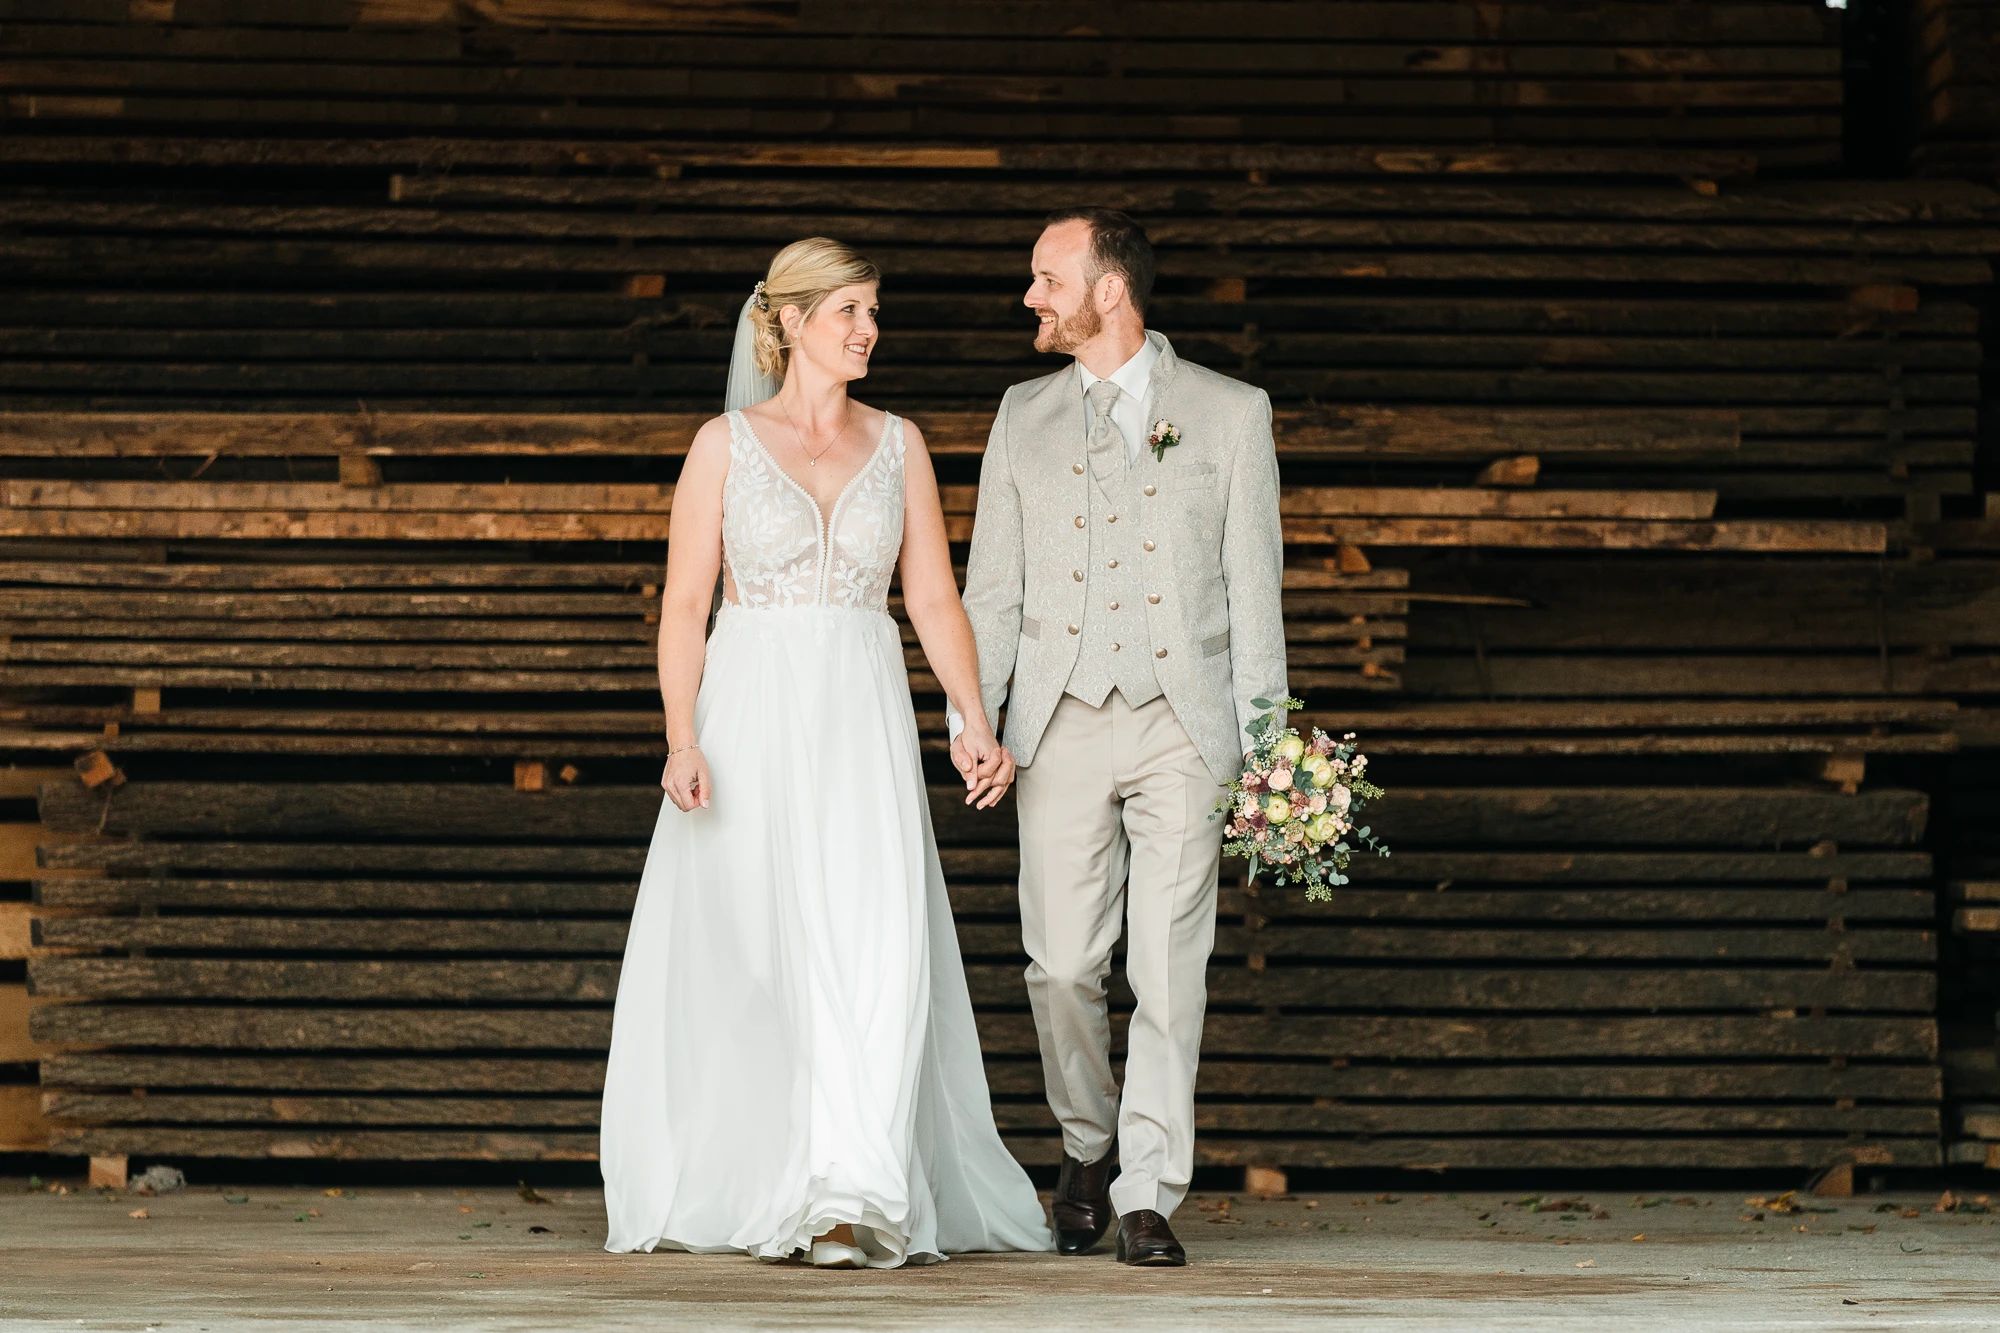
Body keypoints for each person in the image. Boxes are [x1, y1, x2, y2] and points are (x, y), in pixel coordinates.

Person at [600, 237, 1054, 1269]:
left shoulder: (900, 443)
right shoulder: (722, 444)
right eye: (849, 310)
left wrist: (973, 717)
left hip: (860, 714)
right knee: (762, 946)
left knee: (871, 937)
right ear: (792, 320)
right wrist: (680, 735)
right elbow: (683, 604)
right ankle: (774, 1172)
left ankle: (853, 1192)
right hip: (750, 714)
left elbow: (931, 597)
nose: (868, 330)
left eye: (873, 311)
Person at [950, 208, 1287, 1266]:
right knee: (1059, 965)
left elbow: (1255, 591)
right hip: (1055, 722)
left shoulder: (1230, 414)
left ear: (1109, 290)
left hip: (1184, 724)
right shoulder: (1022, 414)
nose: (1030, 297)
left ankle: (1146, 1190)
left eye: (1047, 278)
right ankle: (1087, 1142)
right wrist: (974, 718)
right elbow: (991, 589)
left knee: (1169, 968)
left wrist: (1267, 748)